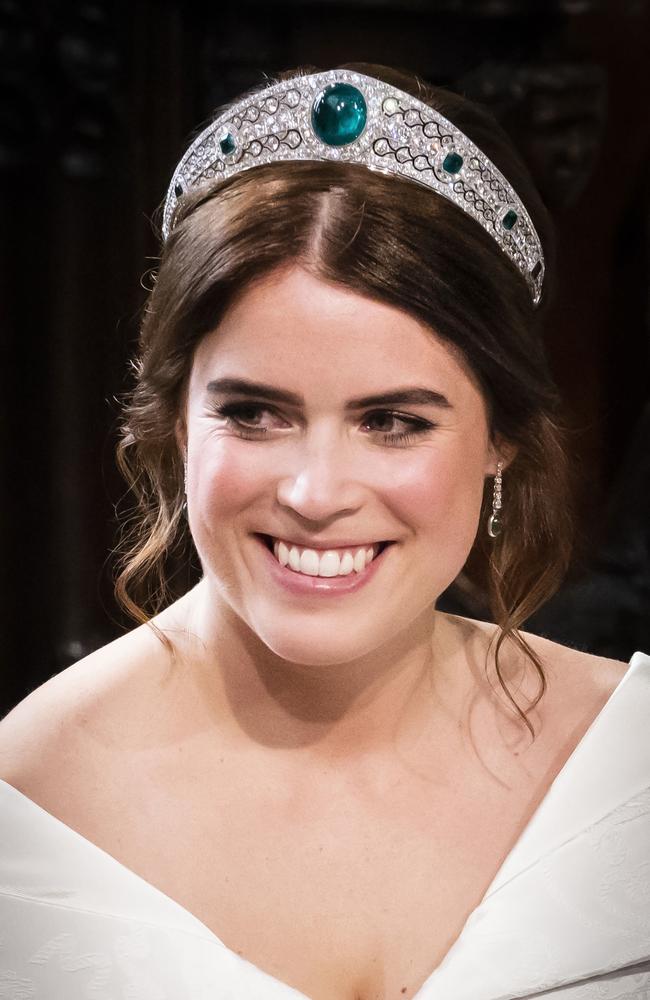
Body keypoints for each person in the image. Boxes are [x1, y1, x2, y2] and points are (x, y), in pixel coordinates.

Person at [0, 63, 648, 1000]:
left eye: (393, 421)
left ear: (502, 438)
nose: (314, 492)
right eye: (255, 414)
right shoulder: (33, 800)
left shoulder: (628, 765)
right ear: (177, 420)